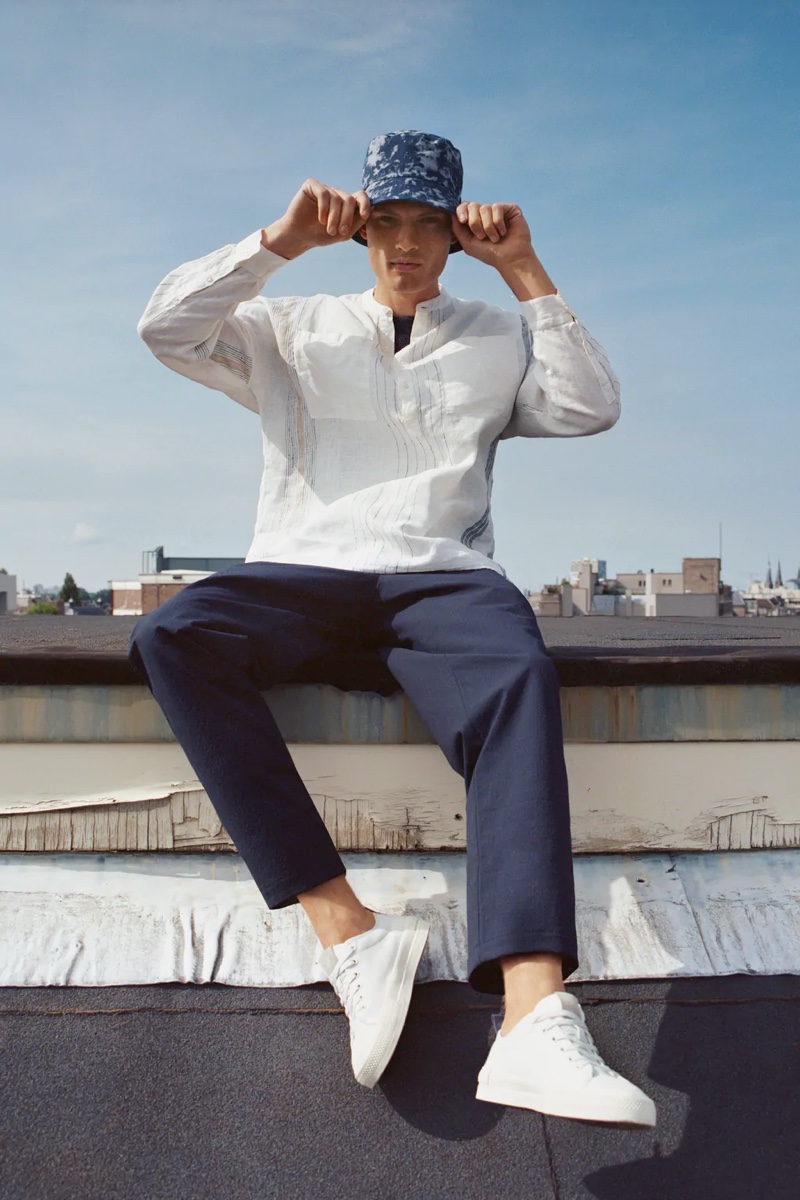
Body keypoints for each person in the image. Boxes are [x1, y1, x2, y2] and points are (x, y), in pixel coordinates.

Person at [130, 130, 656, 1127]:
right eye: (386, 224)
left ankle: (533, 1016)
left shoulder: (495, 331)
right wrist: (278, 239)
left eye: (425, 226)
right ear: (359, 229)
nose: (404, 245)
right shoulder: (289, 324)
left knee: (515, 675)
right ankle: (348, 932)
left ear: (453, 238)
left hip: (442, 578)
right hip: (302, 569)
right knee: (176, 636)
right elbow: (163, 329)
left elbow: (587, 409)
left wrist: (525, 270)